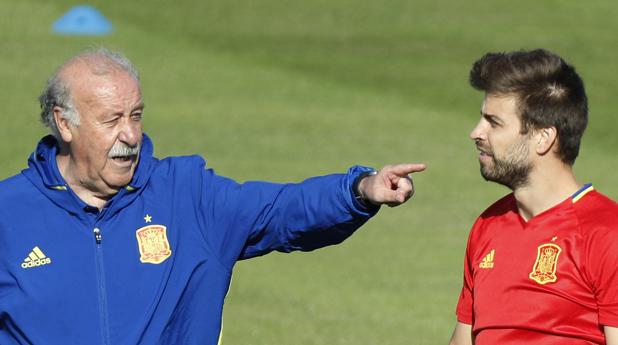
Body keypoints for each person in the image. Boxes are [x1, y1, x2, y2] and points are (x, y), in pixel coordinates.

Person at [0, 48, 425, 345]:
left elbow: (282, 211)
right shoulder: (9, 213)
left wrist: (358, 191)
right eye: (112, 120)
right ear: (65, 124)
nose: (129, 134)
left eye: (136, 115)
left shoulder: (187, 196)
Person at [449, 49, 618, 345]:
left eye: (494, 122)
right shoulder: (487, 226)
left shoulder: (607, 234)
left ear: (543, 137)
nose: (476, 132)